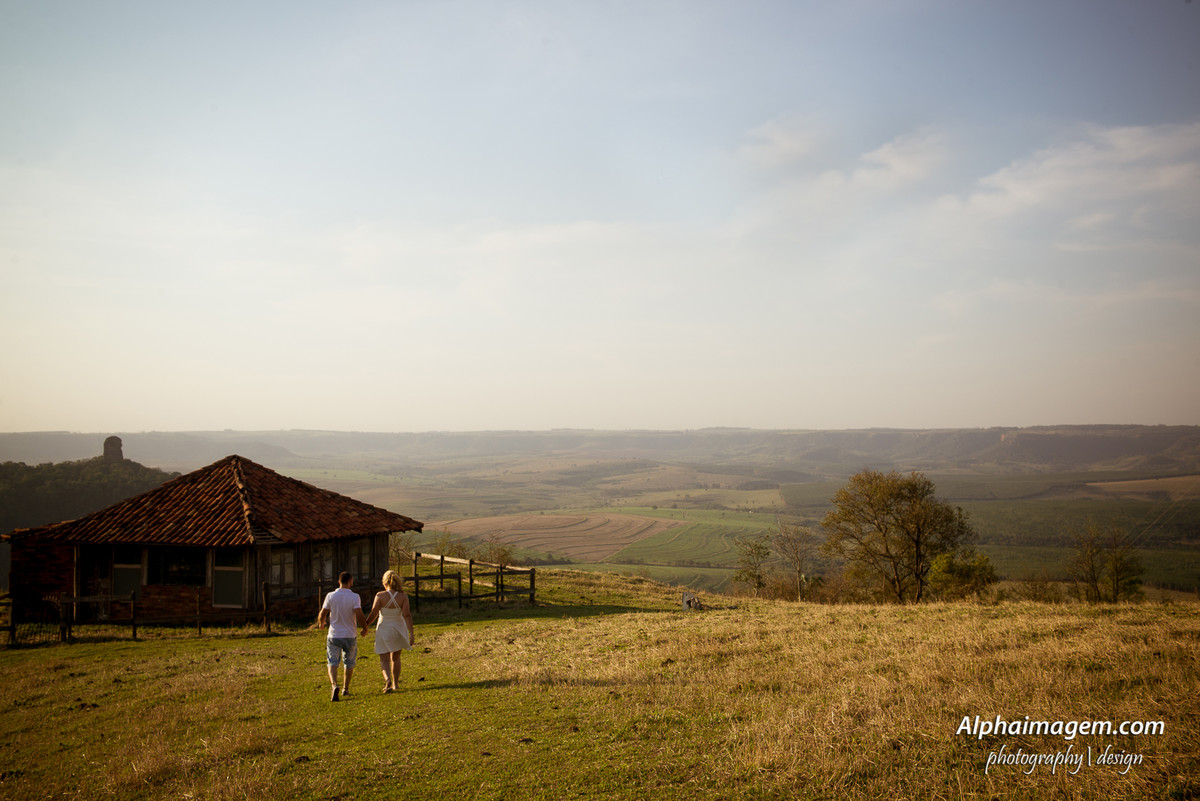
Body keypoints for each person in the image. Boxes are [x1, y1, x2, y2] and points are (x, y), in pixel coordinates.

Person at [318, 571, 369, 702]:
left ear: (339, 581)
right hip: (350, 635)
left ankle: (334, 685)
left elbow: (323, 612)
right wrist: (365, 627)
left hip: (334, 634)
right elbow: (359, 614)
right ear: (350, 581)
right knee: (349, 662)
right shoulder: (355, 597)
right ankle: (345, 689)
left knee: (332, 662)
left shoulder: (330, 596)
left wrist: (321, 623)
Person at [364, 569, 415, 693]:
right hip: (398, 628)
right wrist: (411, 633)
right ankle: (395, 684)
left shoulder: (380, 596)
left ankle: (387, 680)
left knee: (384, 658)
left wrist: (365, 626)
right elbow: (407, 615)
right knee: (396, 658)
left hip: (383, 628)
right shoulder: (403, 596)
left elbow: (374, 614)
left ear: (384, 582)